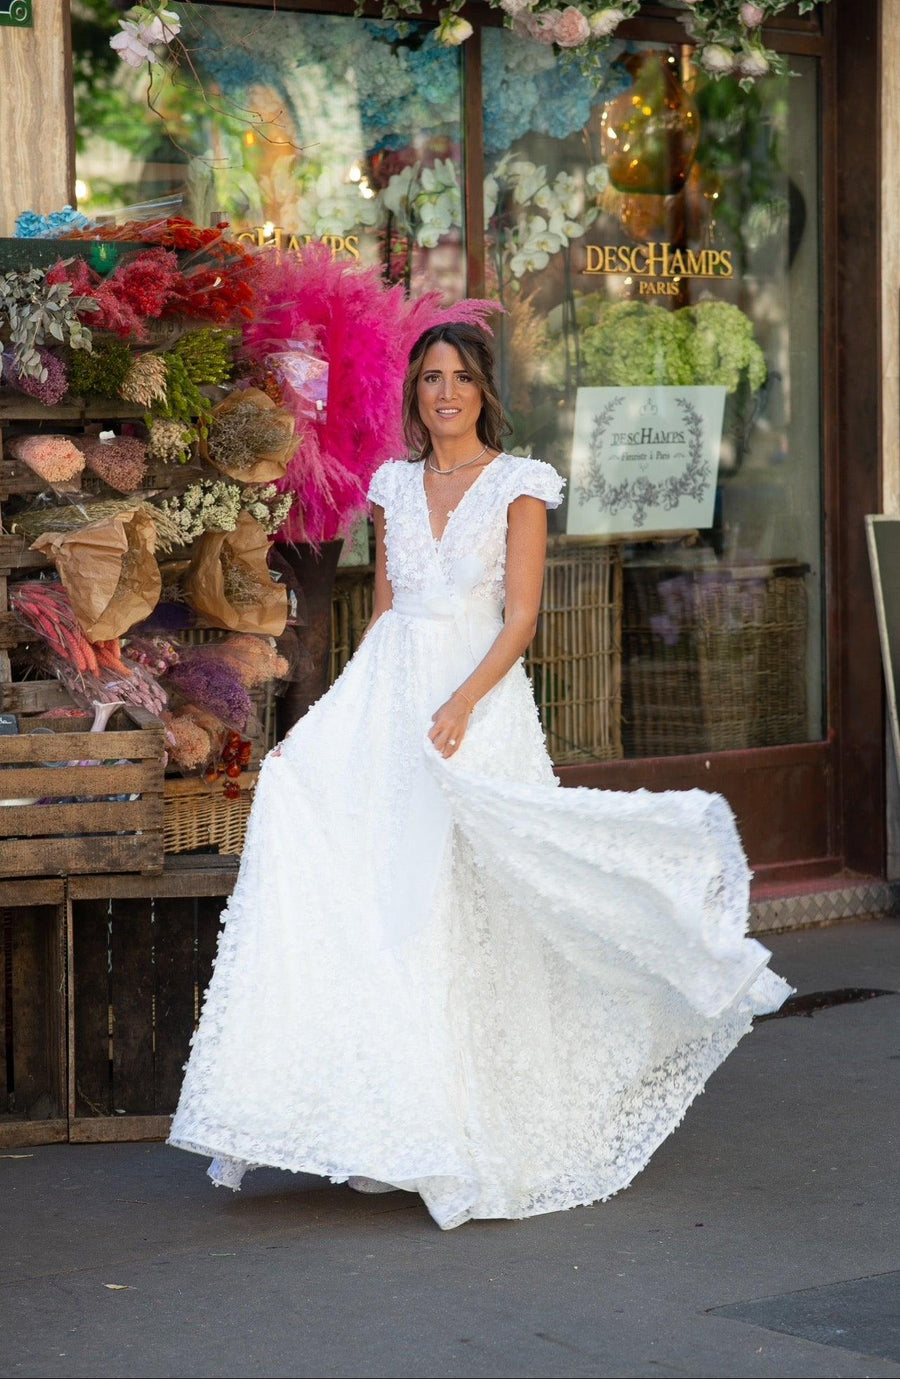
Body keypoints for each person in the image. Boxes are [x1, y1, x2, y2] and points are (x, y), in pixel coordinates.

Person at [168, 322, 790, 1231]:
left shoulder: (520, 486)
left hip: (477, 697)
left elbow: (523, 618)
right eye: (429, 378)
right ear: (415, 394)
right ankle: (392, 1117)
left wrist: (460, 703)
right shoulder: (392, 485)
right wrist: (341, 717)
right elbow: (384, 610)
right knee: (376, 874)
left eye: (459, 377)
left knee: (475, 891)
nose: (445, 392)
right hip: (391, 694)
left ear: (483, 389)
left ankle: (475, 1114)